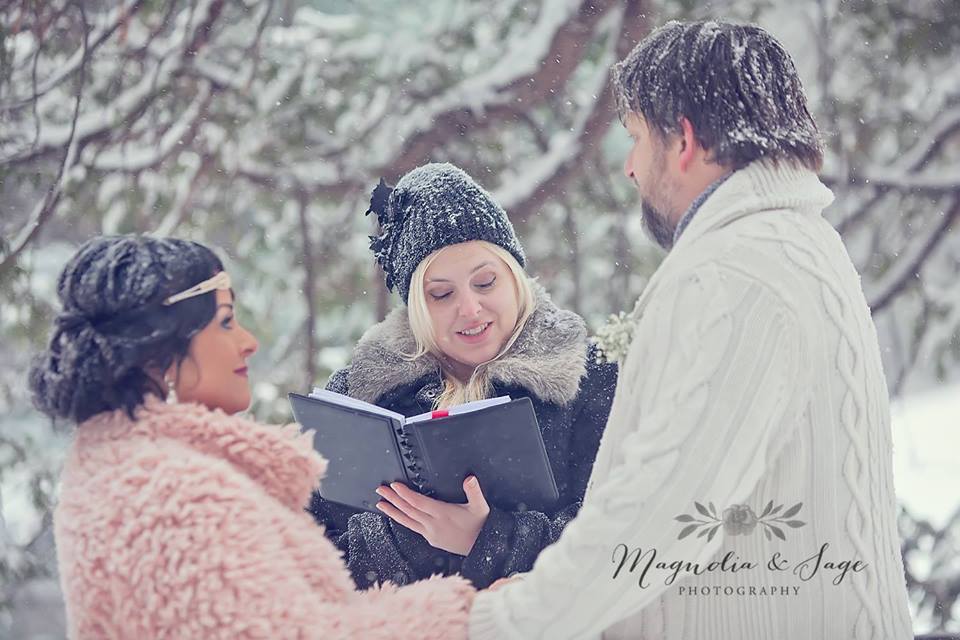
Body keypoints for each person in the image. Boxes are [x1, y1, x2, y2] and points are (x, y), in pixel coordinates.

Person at [468, 20, 914, 640]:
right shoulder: (798, 245)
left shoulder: (739, 273)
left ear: (682, 139)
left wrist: (491, 623)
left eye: (635, 138)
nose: (629, 168)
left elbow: (661, 511)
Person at [28, 235, 475, 639]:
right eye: (225, 322)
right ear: (157, 348)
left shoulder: (121, 469)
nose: (248, 342)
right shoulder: (176, 496)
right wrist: (464, 612)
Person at [308, 162, 618, 590]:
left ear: (515, 278)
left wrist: (487, 538)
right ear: (416, 306)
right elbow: (308, 549)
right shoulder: (361, 396)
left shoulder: (590, 379)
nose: (470, 308)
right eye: (442, 294)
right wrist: (413, 539)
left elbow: (620, 537)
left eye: (486, 282)